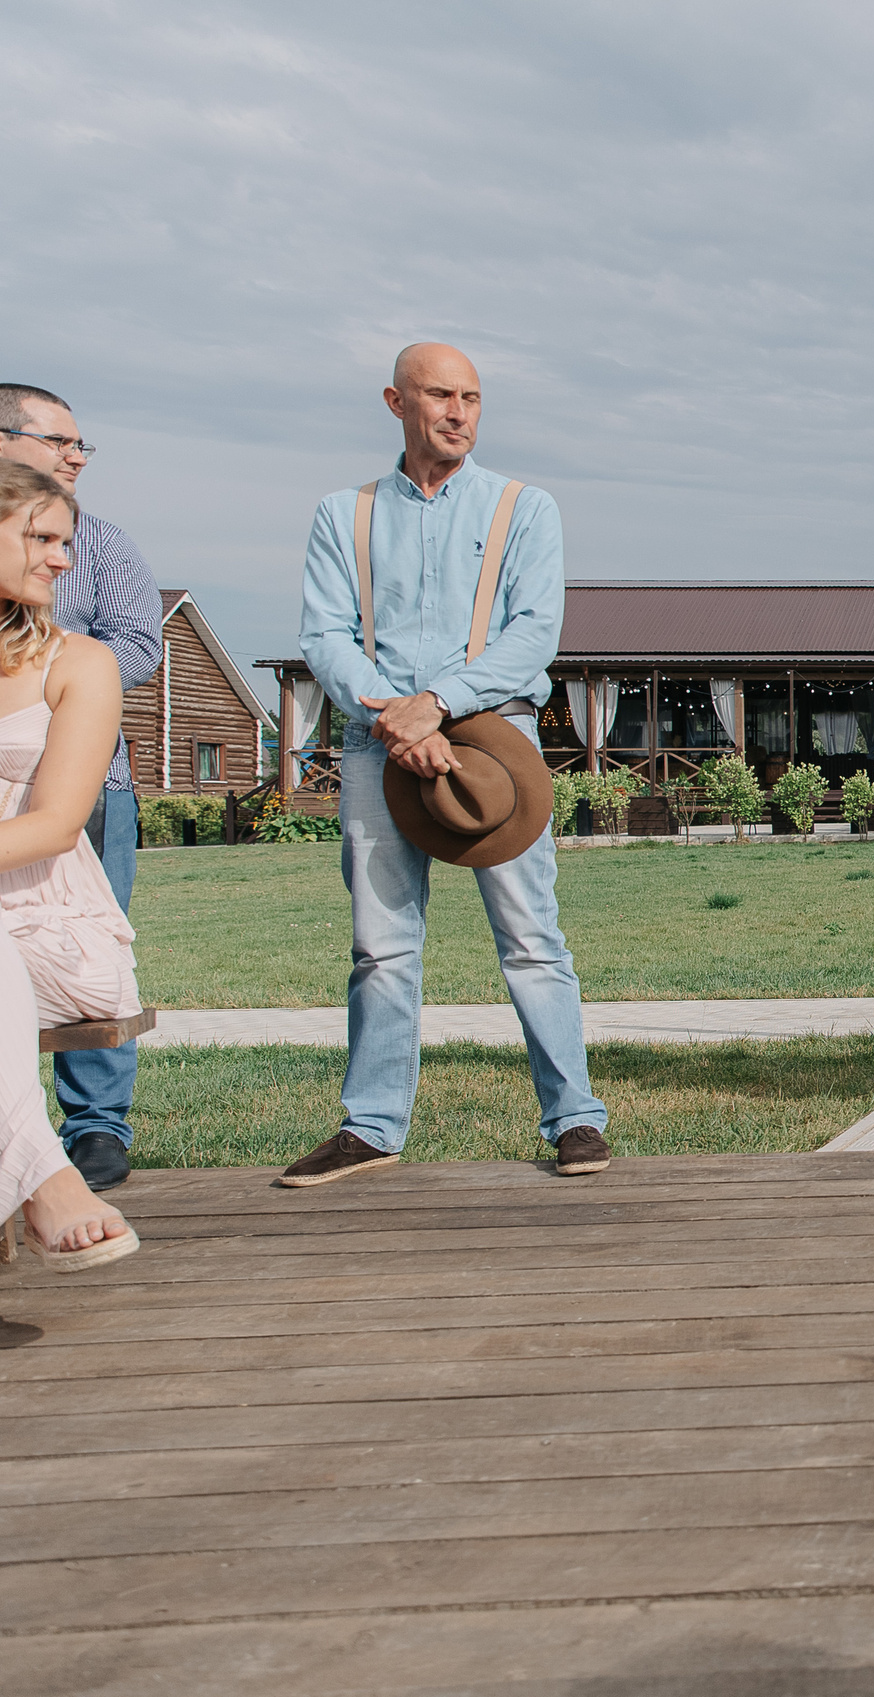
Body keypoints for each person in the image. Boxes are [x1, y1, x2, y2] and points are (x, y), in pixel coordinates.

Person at [282, 344, 609, 1186]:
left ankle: (575, 1119)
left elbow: (534, 632)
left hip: (495, 741)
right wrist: (397, 717)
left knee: (532, 935)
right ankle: (372, 1126)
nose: (458, 411)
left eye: (471, 396)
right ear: (397, 401)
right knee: (380, 947)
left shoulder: (523, 507)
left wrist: (439, 702)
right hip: (374, 743)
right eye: (439, 395)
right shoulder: (342, 513)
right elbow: (324, 637)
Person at [0, 385, 163, 1192]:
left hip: (84, 778)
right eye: (62, 441)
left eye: (80, 445)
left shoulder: (102, 545)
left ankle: (94, 1128)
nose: (76, 456)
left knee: (83, 948)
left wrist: (56, 671)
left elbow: (138, 643)